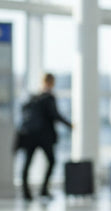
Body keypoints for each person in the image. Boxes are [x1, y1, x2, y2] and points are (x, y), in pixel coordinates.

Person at [16, 72, 72, 201]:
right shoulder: (49, 98)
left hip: (30, 136)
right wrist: (70, 125)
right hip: (44, 137)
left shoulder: (32, 97)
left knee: (27, 163)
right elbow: (55, 115)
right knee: (51, 161)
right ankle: (43, 190)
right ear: (51, 83)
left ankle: (26, 192)